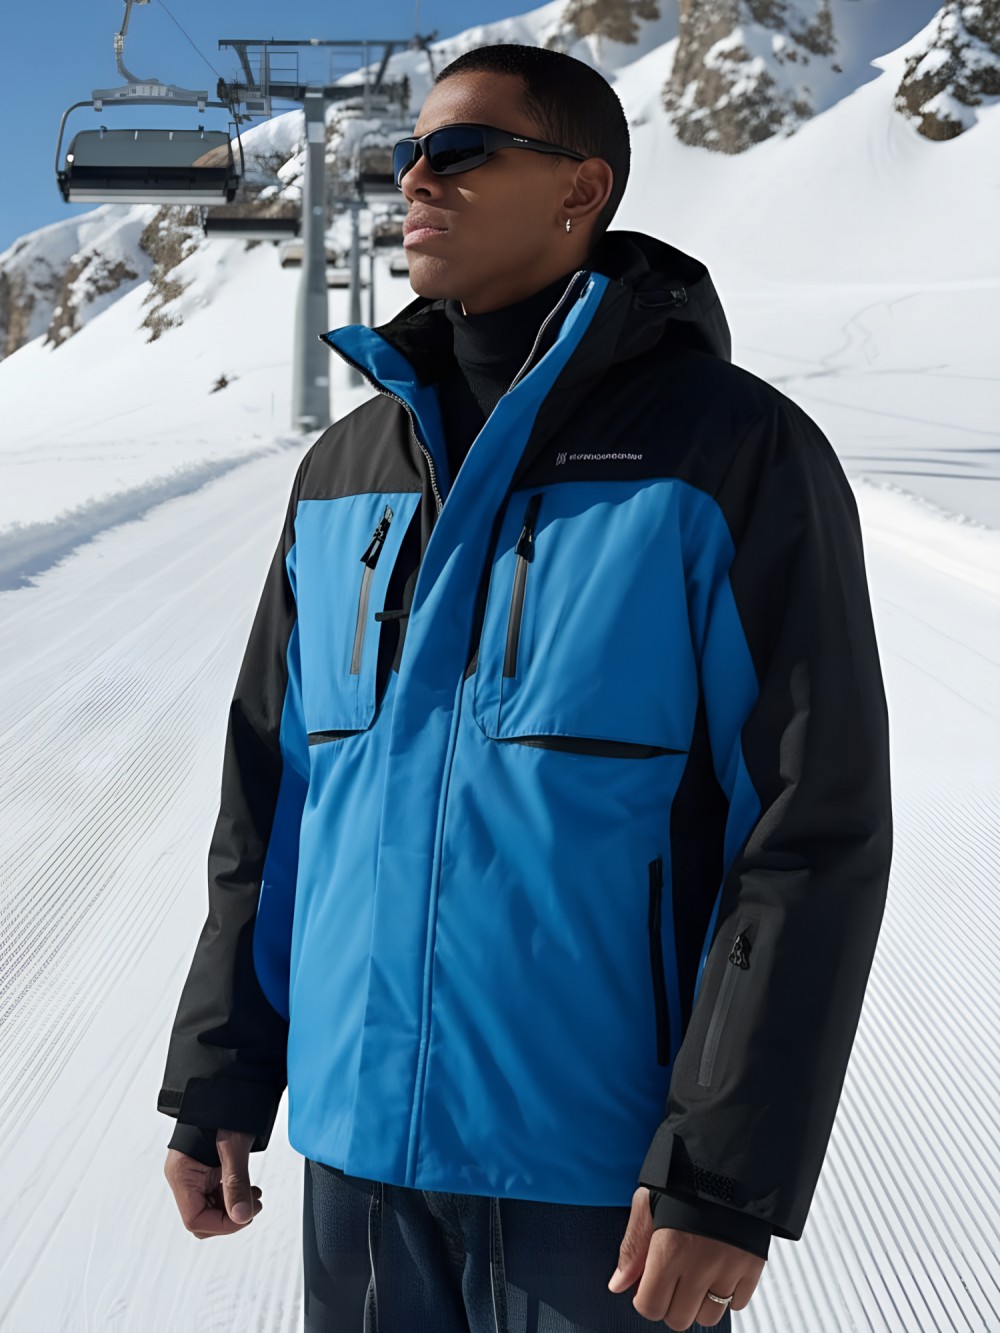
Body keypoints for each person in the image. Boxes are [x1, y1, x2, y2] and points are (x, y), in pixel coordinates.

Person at [159, 41, 893, 1333]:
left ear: (580, 188)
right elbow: (272, 799)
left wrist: (724, 1171)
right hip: (358, 1155)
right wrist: (220, 1071)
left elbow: (806, 830)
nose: (414, 179)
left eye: (458, 151)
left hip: (598, 1180)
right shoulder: (346, 468)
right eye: (407, 154)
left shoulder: (729, 452)